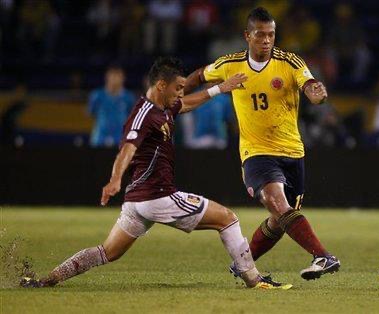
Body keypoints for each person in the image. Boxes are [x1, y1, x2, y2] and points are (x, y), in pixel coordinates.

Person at [20, 57, 291, 290]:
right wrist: (114, 180)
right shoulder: (143, 114)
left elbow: (185, 105)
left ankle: (49, 279)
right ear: (161, 85)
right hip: (157, 197)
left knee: (107, 252)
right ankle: (255, 280)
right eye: (178, 87)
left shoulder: (163, 106)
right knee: (228, 219)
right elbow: (127, 148)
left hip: (137, 204)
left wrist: (220, 88)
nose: (181, 93)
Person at [184, 7, 340, 280]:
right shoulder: (230, 64)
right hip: (256, 152)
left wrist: (317, 93)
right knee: (275, 201)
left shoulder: (290, 62)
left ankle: (243, 263)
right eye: (261, 35)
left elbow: (310, 84)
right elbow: (200, 75)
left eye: (271, 35)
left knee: (281, 219)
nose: (267, 40)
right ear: (247, 36)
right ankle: (323, 256)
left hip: (292, 152)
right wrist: (178, 90)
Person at [88, 65, 135, 147]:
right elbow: (91, 113)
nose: (114, 78)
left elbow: (132, 117)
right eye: (112, 75)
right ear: (107, 77)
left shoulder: (129, 97)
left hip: (120, 140)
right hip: (99, 139)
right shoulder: (96, 95)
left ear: (123, 78)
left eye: (118, 75)